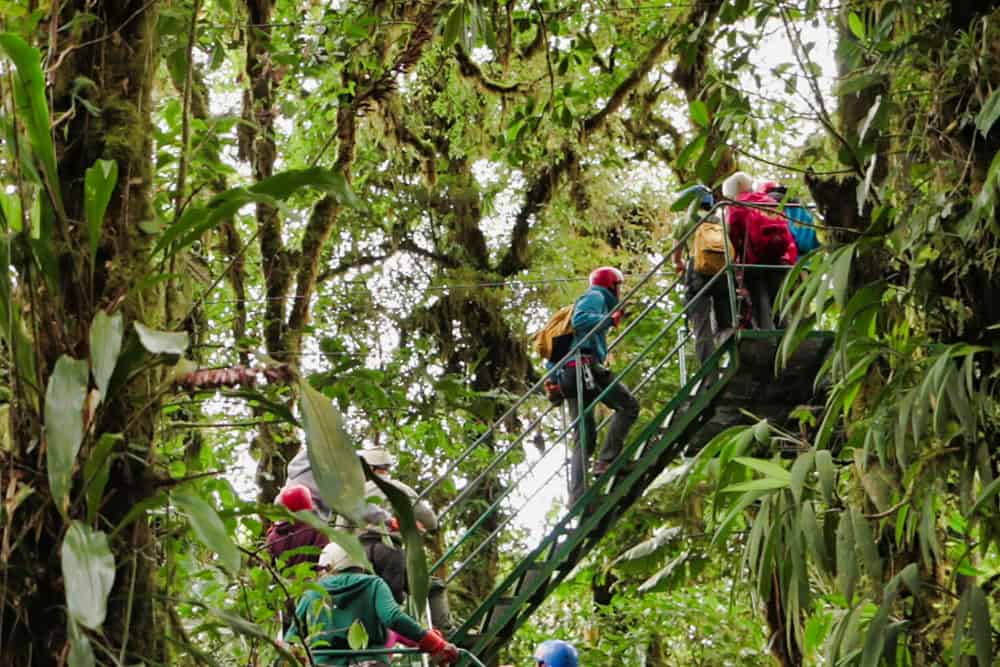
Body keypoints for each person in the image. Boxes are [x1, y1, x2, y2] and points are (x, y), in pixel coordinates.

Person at [284, 543, 459, 666]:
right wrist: (435, 643)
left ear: (325, 566)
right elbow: (393, 617)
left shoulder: (312, 591)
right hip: (371, 663)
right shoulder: (373, 584)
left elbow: (291, 639)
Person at [558, 267, 641, 505]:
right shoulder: (596, 296)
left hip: (571, 372)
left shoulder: (596, 298)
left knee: (584, 438)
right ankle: (607, 460)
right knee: (629, 407)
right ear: (611, 284)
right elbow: (580, 320)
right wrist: (608, 320)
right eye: (619, 285)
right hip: (585, 367)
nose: (621, 290)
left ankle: (578, 497)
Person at [722, 172, 797, 329]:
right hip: (778, 256)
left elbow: (732, 237)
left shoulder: (736, 206)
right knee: (779, 299)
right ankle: (786, 335)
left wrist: (734, 261)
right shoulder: (767, 200)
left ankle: (767, 338)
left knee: (760, 301)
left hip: (753, 261)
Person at [671, 184, 734, 363]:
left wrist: (679, 265)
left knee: (701, 324)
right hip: (722, 272)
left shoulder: (684, 221)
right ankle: (732, 357)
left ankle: (709, 374)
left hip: (697, 272)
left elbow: (675, 256)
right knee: (726, 321)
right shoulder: (720, 221)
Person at [265, 484, 330, 571]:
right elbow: (323, 561)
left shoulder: (272, 536)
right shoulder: (317, 530)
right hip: (310, 582)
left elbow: (267, 567)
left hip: (282, 583)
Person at [757, 182, 820, 258]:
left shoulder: (767, 207)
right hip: (803, 262)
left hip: (774, 259)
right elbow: (816, 242)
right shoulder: (806, 212)